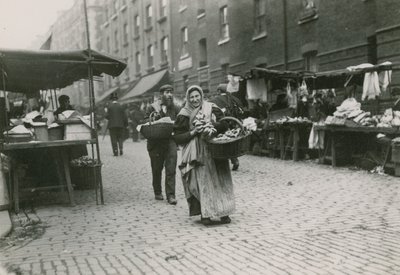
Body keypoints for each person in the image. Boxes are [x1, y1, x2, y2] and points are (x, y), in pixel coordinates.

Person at [173, 85, 235, 225]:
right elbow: (177, 137)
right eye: (192, 97)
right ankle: (205, 213)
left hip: (215, 148)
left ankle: (224, 212)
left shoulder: (212, 107)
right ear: (188, 98)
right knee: (203, 181)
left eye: (197, 96)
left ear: (201, 96)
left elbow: (225, 124)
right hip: (197, 152)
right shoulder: (184, 113)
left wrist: (213, 127)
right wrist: (193, 132)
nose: (195, 99)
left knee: (220, 179)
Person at [145, 84, 180, 205]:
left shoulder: (175, 108)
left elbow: (181, 123)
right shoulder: (152, 108)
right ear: (161, 95)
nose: (169, 94)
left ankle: (171, 195)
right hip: (155, 142)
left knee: (171, 168)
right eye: (167, 92)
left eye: (171, 92)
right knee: (156, 168)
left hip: (170, 141)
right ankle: (158, 191)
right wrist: (155, 119)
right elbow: (145, 122)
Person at [210, 83, 244, 171]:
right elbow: (242, 111)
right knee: (232, 142)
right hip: (235, 125)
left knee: (221, 141)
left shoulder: (214, 100)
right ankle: (234, 159)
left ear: (218, 91)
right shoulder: (235, 99)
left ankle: (221, 160)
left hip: (222, 124)